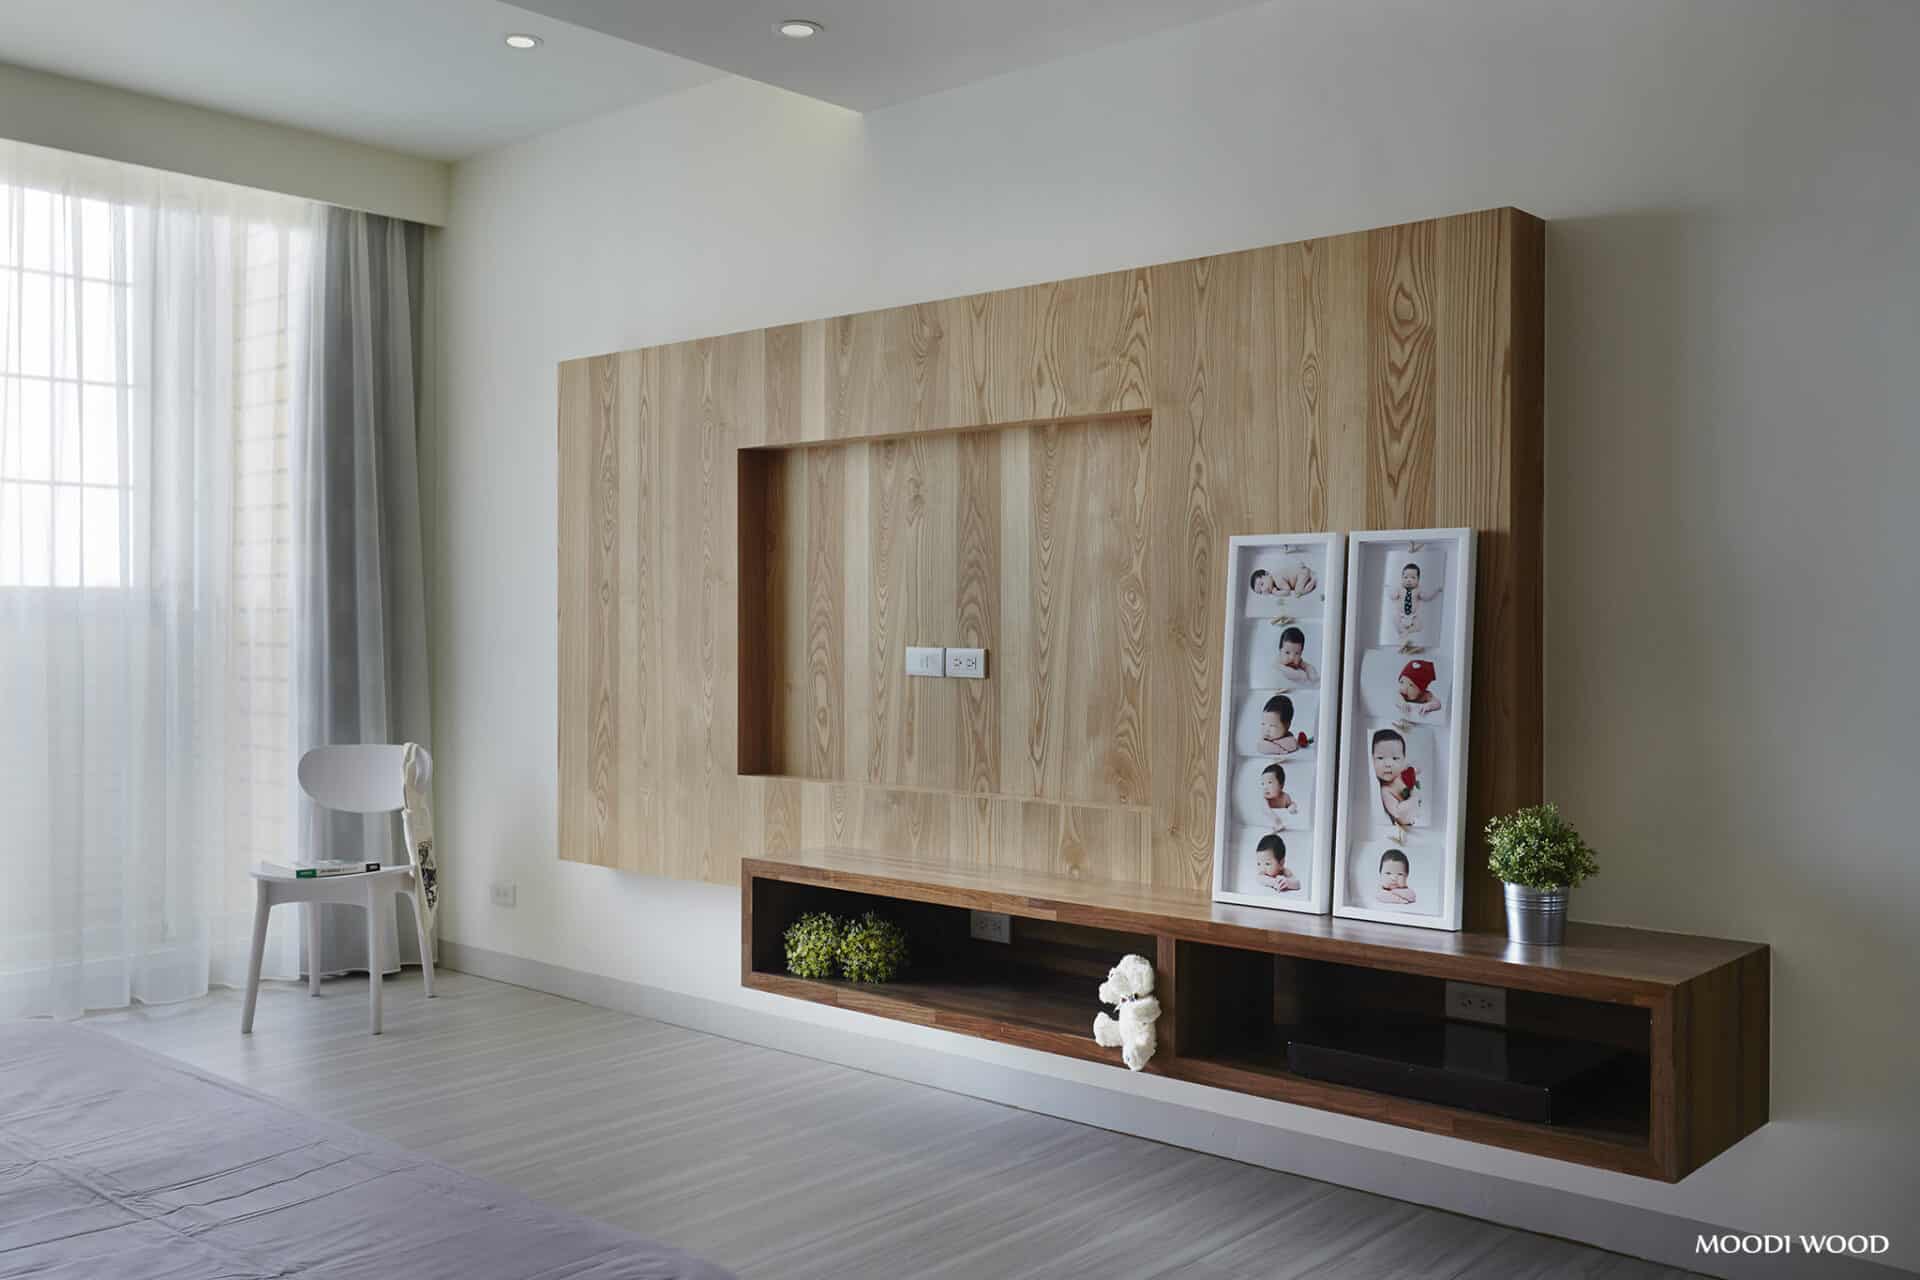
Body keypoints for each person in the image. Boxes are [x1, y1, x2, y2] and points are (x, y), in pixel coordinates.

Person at [1370, 728, 1422, 832]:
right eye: (1380, 758)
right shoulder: (1386, 790)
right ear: (1372, 760)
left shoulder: (1403, 773)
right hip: (1409, 819)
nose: (1388, 764)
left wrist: (1413, 771)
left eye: (1395, 758)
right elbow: (1397, 812)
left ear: (1403, 759)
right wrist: (1414, 799)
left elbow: (1418, 768)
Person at [1385, 561, 1443, 649]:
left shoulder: (1418, 590)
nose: (1409, 580)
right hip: (1401, 614)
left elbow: (1427, 598)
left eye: (1413, 577)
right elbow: (1393, 596)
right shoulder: (1399, 589)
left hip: (1413, 615)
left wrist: (1436, 591)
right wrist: (1388, 588)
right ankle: (1401, 631)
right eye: (1406, 577)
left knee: (1419, 625)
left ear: (1418, 580)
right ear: (1401, 578)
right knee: (1395, 620)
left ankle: (1408, 630)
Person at [1259, 763, 1298, 827]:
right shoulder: (1265, 800)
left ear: (1281, 785)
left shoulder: (1285, 797)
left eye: (1269, 782)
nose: (1265, 787)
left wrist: (1292, 807)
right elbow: (1266, 810)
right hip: (1271, 823)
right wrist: (1276, 820)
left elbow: (1291, 805)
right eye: (1263, 784)